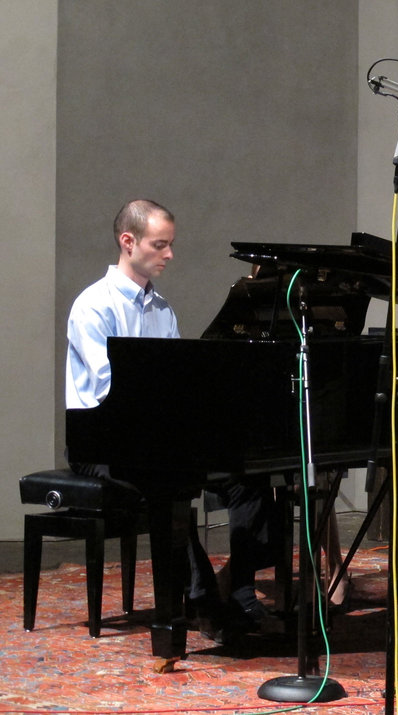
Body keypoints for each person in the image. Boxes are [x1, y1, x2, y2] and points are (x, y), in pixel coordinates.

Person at [65, 198, 278, 637]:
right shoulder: (93, 306)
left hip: (156, 437)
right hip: (100, 443)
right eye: (160, 245)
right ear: (128, 242)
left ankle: (239, 589)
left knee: (249, 475)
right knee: (166, 485)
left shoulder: (162, 309)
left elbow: (178, 384)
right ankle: (202, 602)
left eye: (170, 244)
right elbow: (111, 390)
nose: (170, 255)